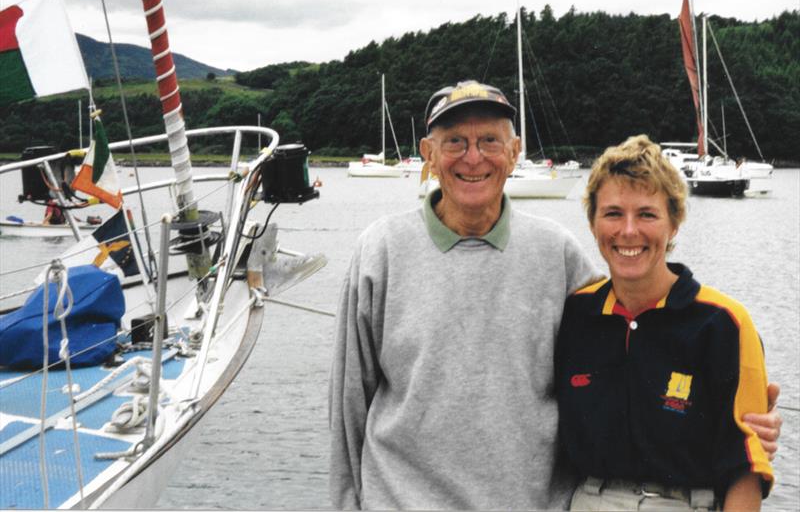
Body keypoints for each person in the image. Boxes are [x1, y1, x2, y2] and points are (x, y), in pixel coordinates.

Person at [329, 82, 781, 510]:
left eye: (489, 140)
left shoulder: (556, 253)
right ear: (427, 153)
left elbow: (630, 339)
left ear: (514, 151)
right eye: (454, 142)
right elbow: (348, 405)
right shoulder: (380, 251)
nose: (473, 158)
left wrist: (738, 419)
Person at [556, 135, 772, 511]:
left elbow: (746, 467)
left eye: (647, 214)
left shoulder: (724, 324)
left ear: (674, 224)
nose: (628, 231)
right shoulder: (574, 316)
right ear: (592, 224)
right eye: (612, 213)